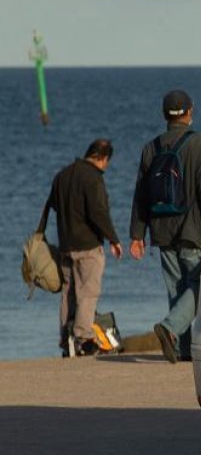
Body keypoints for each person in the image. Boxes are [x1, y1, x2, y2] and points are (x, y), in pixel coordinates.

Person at [129, 89, 201, 364]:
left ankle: (183, 351)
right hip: (195, 232)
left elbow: (141, 194)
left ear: (164, 115)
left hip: (162, 230)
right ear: (190, 112)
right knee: (200, 287)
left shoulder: (152, 147)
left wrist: (137, 234)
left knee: (176, 290)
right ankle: (170, 329)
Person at [40, 139, 123, 356]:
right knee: (88, 291)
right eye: (106, 162)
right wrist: (113, 239)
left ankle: (65, 337)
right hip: (88, 245)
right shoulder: (93, 178)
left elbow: (53, 206)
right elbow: (98, 213)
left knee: (68, 292)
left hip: (66, 244)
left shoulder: (62, 175)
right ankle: (84, 337)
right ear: (103, 159)